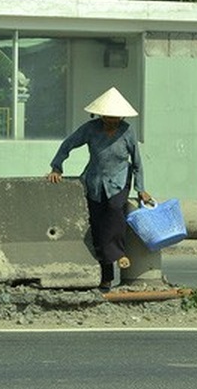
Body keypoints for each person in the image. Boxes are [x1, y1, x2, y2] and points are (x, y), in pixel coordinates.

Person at [46, 87, 153, 293]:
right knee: (98, 226)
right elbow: (68, 144)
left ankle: (120, 254)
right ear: (101, 114)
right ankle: (106, 278)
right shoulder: (91, 129)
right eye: (108, 117)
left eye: (115, 117)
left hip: (119, 181)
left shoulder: (127, 131)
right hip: (95, 181)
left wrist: (141, 189)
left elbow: (137, 162)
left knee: (114, 211)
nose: (111, 121)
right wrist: (57, 167)